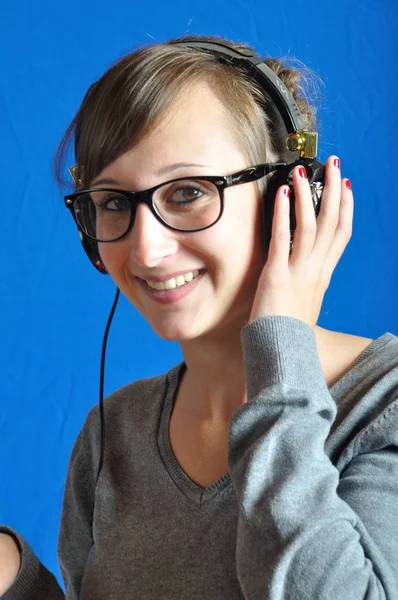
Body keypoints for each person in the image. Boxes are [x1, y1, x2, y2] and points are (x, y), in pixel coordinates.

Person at [1, 33, 397, 600]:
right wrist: (11, 573)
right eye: (114, 202)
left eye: (187, 192)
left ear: (292, 195)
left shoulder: (383, 404)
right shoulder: (111, 435)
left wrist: (280, 347)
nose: (146, 251)